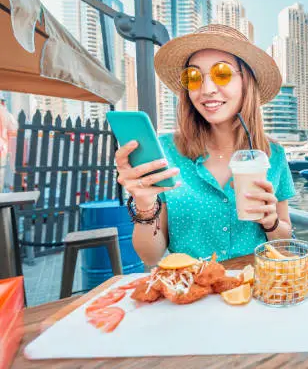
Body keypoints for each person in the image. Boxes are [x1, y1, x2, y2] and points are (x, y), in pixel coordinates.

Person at [115, 24, 295, 266]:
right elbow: (150, 256)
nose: (207, 89)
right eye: (194, 77)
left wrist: (271, 222)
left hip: (253, 292)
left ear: (246, 83)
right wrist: (145, 205)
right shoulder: (165, 152)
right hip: (190, 294)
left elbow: (284, 245)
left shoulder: (274, 155)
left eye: (222, 73)